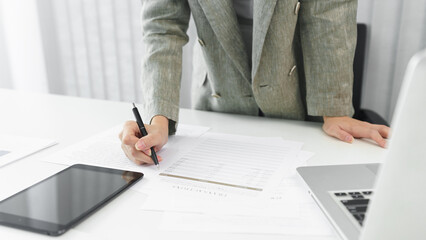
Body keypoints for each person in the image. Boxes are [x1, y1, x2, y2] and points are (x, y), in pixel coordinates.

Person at [119, 0, 390, 165]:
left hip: (294, 82)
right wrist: (158, 118)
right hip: (218, 85)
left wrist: (335, 110)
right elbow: (161, 26)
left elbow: (329, 11)